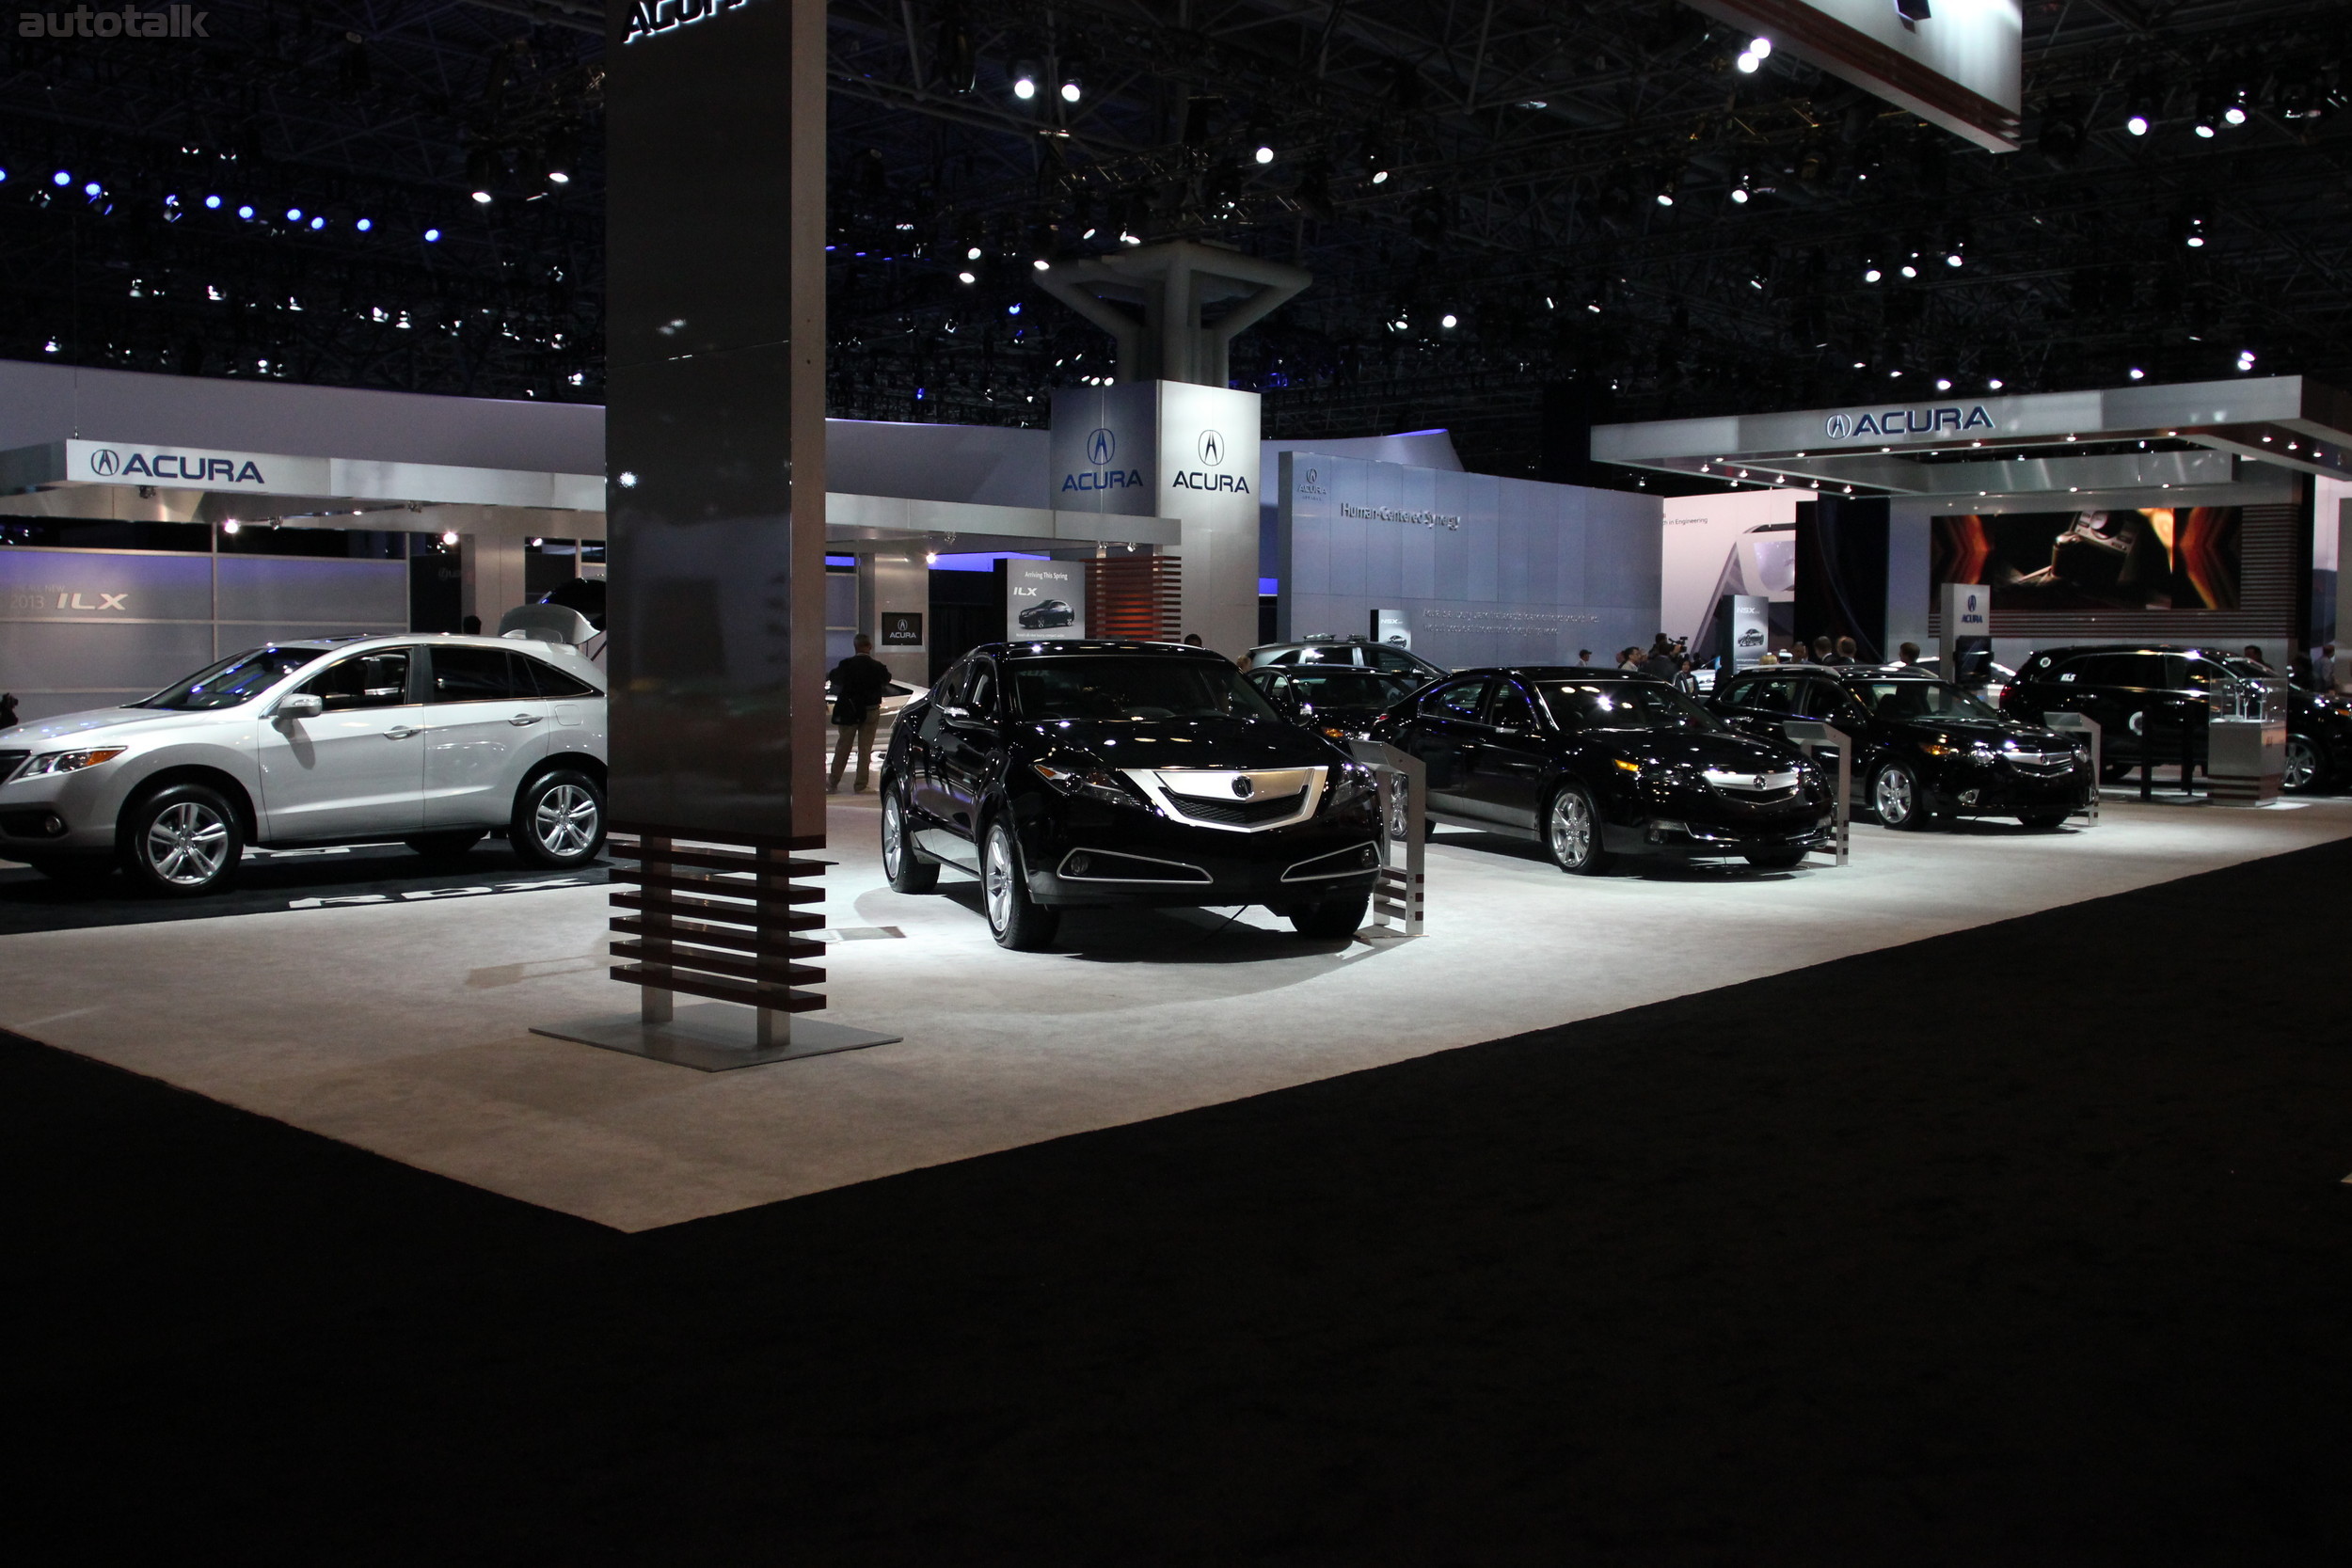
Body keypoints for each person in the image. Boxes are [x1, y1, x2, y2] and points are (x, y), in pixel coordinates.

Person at [827, 634, 892, 793]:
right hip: (870, 711)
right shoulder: (877, 667)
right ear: (869, 646)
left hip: (849, 710)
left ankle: (833, 781)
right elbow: (887, 679)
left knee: (843, 747)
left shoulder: (846, 665)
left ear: (855, 647)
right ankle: (861, 784)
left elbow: (833, 678)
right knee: (865, 749)